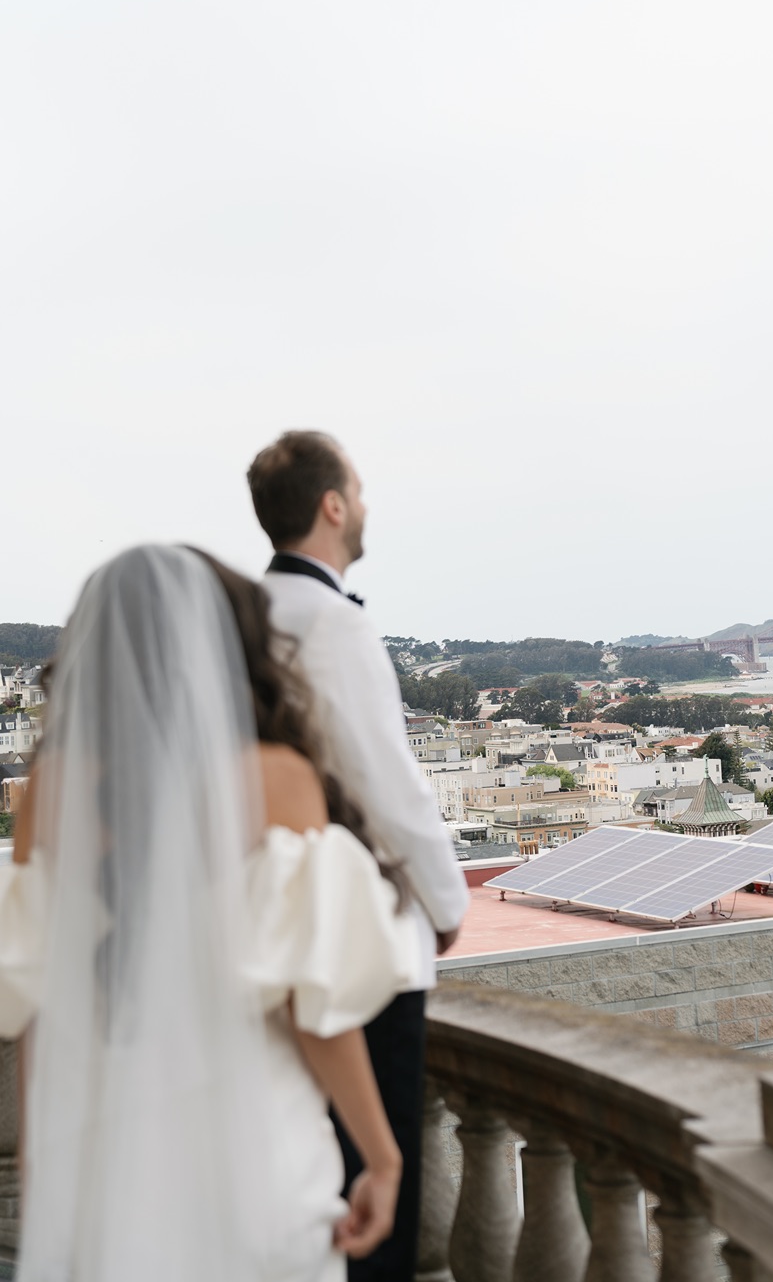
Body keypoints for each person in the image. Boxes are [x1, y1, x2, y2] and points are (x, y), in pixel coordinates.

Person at [0, 544, 419, 1282]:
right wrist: (382, 1158)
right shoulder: (273, 777)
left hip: (103, 1157)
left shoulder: (47, 790)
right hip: (256, 1148)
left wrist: (45, 1177)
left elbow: (38, 1011)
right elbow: (310, 1005)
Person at [248, 431, 469, 1282]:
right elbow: (390, 784)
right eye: (360, 490)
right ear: (332, 506)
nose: (367, 506)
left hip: (270, 926)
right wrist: (447, 908)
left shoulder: (245, 616)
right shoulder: (332, 622)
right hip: (357, 933)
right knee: (376, 1194)